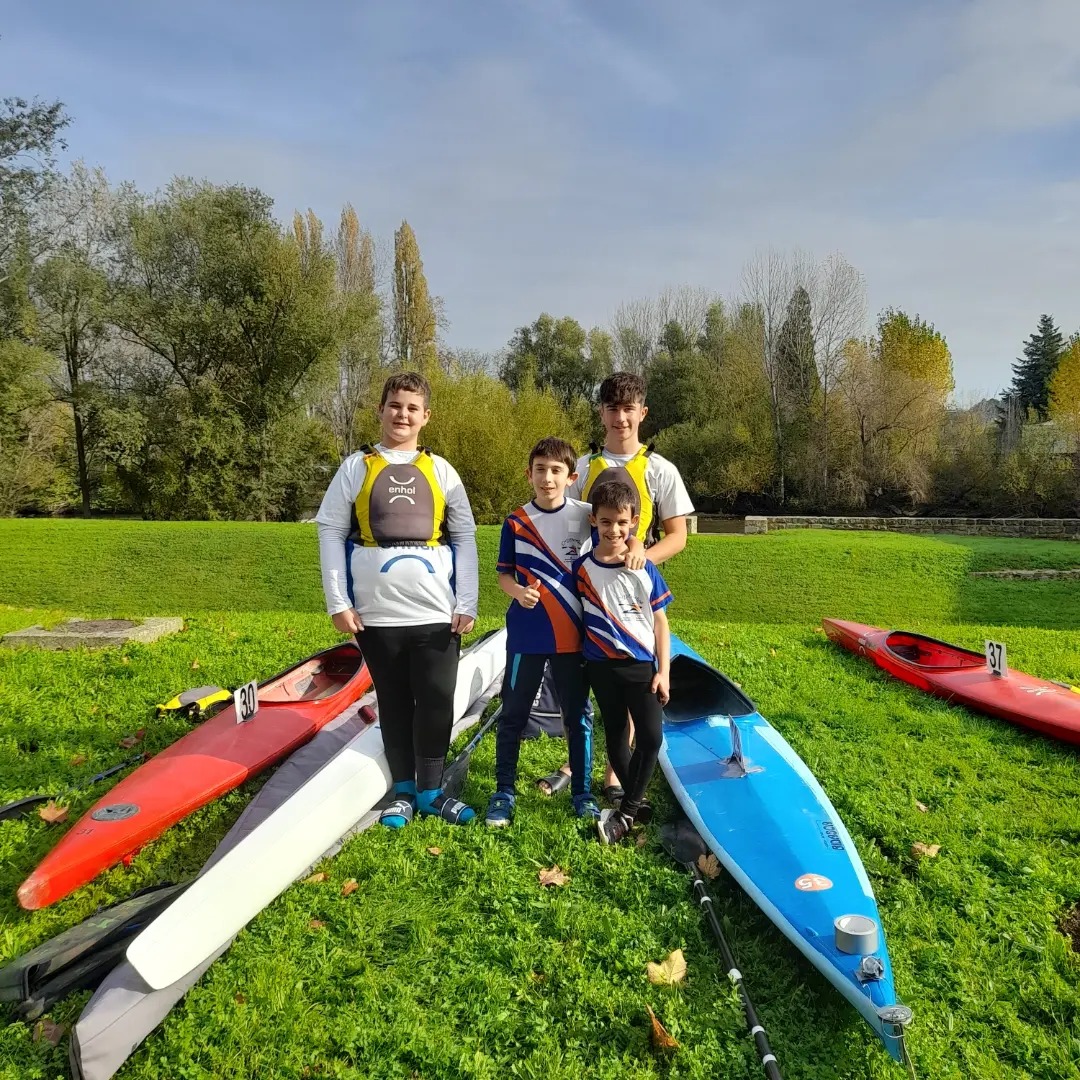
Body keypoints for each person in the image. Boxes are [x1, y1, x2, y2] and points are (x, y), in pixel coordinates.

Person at [314, 371, 479, 827]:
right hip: (375, 612)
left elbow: (464, 534)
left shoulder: (442, 470)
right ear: (381, 410)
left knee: (437, 697)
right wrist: (337, 601)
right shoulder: (356, 466)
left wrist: (467, 600)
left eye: (412, 407)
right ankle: (402, 791)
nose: (401, 414)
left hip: (435, 608)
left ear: (426, 416)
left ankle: (432, 789)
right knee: (393, 698)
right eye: (394, 405)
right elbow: (329, 529)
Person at [536, 371, 693, 802]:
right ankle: (577, 759)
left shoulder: (660, 470)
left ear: (642, 413)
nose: (620, 418)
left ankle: (613, 775)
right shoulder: (583, 468)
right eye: (612, 409)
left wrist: (639, 560)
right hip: (586, 590)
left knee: (627, 676)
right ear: (601, 413)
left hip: (632, 596)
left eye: (628, 409)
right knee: (586, 677)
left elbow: (677, 535)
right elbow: (554, 512)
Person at [485, 437, 599, 827]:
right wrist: (518, 592)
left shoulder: (587, 515)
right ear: (528, 473)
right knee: (513, 713)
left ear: (571, 477)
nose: (547, 478)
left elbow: (620, 537)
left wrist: (636, 543)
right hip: (527, 635)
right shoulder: (516, 522)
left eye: (555, 471)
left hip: (573, 636)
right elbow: (503, 574)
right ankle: (504, 792)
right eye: (540, 470)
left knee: (578, 716)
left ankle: (583, 794)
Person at [573, 479, 672, 845]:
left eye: (621, 523)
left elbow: (661, 623)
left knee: (651, 737)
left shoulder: (644, 567)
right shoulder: (581, 570)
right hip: (600, 668)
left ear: (633, 523)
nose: (613, 530)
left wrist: (664, 672)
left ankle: (626, 812)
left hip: (641, 667)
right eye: (605, 522)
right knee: (616, 739)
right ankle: (635, 803)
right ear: (594, 523)